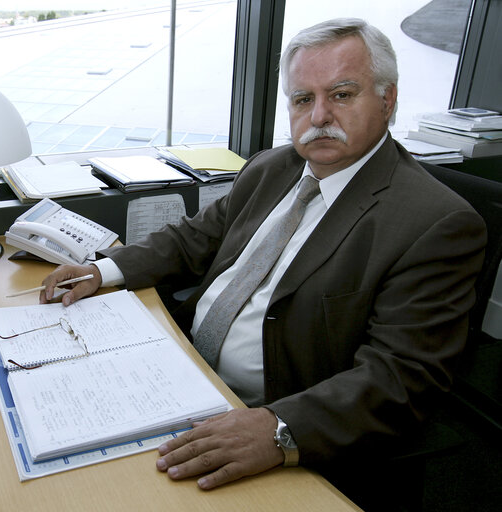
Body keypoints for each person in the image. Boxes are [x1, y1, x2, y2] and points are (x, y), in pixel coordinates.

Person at [38, 17, 486, 506]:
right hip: (181, 375)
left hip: (271, 415)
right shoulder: (273, 167)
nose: (318, 116)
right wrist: (102, 270)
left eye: (341, 94)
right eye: (301, 99)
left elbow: (401, 377)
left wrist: (278, 429)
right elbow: (194, 239)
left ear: (387, 99)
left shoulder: (436, 223)